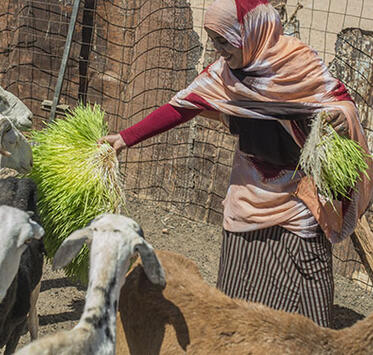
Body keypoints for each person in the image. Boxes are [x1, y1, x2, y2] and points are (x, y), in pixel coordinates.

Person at [99, 0, 372, 328]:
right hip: (250, 187)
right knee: (239, 294)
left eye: (224, 40)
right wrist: (125, 139)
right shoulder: (223, 76)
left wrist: (339, 120)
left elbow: (342, 105)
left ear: (250, 32)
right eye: (214, 40)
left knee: (307, 292)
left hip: (298, 193)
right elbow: (181, 106)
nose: (218, 50)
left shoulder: (300, 64)